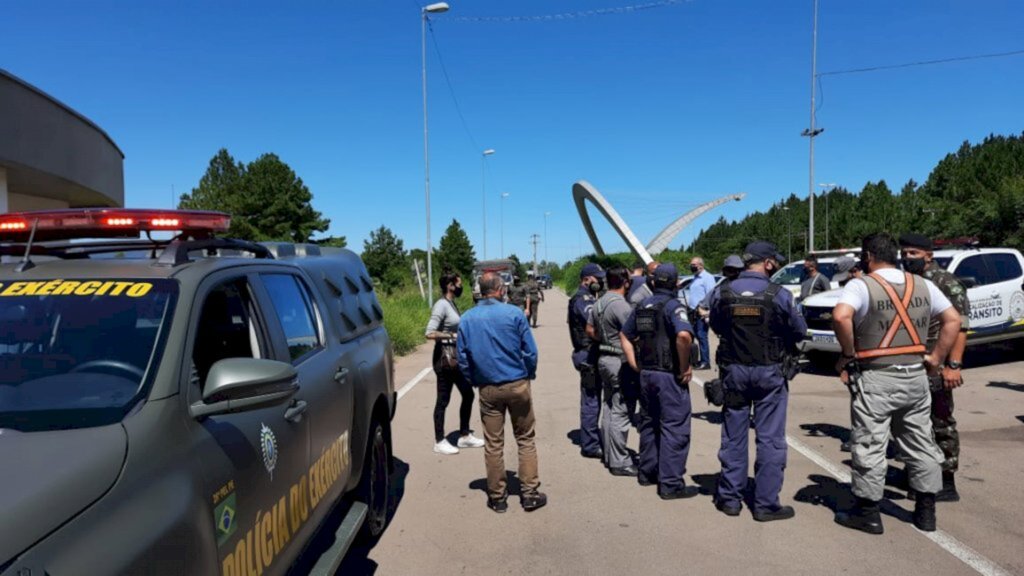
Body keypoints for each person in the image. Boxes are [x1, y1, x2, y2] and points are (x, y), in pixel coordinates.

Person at [832, 233, 960, 534]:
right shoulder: (924, 285)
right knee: (920, 441)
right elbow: (953, 319)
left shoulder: (860, 285)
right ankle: (926, 512)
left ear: (868, 257)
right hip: (915, 375)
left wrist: (849, 354)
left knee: (870, 443)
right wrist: (936, 358)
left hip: (876, 375)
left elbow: (840, 317)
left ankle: (868, 513)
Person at [707, 242, 806, 521]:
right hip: (769, 372)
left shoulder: (722, 292)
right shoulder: (780, 294)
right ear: (768, 264)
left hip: (733, 371)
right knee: (770, 439)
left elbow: (715, 325)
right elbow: (798, 331)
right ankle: (765, 504)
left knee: (733, 435)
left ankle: (730, 499)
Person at [457, 272, 545, 513]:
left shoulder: (467, 318)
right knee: (525, 438)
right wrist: (529, 374)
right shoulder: (514, 314)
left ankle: (497, 497)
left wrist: (475, 379)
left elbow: (462, 358)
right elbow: (530, 351)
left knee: (493, 443)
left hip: (488, 388)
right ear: (499, 290)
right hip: (517, 383)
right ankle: (529, 493)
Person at [899, 233, 970, 502]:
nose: (907, 259)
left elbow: (961, 326)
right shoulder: (911, 282)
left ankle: (946, 480)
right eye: (905, 254)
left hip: (937, 365)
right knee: (914, 423)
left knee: (940, 421)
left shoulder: (946, 283)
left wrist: (953, 365)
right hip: (913, 363)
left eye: (913, 254)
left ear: (929, 255)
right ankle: (916, 473)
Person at [620, 263, 700, 499]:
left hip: (646, 374)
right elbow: (683, 336)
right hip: (668, 376)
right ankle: (671, 484)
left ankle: (647, 472)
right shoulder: (674, 306)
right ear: (676, 284)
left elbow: (625, 334)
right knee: (674, 428)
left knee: (649, 424)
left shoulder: (644, 305)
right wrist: (685, 366)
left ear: (653, 283)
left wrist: (634, 362)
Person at [425, 271, 485, 455]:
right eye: (458, 284)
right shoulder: (441, 305)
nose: (460, 287)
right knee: (443, 400)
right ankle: (439, 440)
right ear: (450, 285)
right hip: (444, 360)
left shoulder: (451, 303)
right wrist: (452, 335)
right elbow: (429, 333)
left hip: (455, 359)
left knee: (468, 394)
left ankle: (465, 435)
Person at [586, 266, 637, 476]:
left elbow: (590, 330)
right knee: (621, 410)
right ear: (625, 281)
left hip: (604, 358)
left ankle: (609, 454)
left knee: (609, 407)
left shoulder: (599, 303)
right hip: (619, 361)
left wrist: (607, 340)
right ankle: (619, 461)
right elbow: (633, 334)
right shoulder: (621, 306)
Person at [568, 263, 606, 459]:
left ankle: (593, 438)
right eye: (597, 278)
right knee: (591, 400)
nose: (600, 281)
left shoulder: (590, 297)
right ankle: (590, 445)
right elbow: (594, 320)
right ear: (587, 279)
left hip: (591, 352)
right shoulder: (582, 299)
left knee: (595, 399)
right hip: (588, 354)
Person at [684, 257, 716, 370]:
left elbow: (711, 295)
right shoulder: (695, 278)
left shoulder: (708, 278)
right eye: (691, 264)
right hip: (692, 311)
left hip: (702, 312)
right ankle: (694, 360)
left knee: (702, 336)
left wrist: (707, 312)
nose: (691, 266)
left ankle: (705, 361)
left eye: (694, 264)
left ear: (701, 265)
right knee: (693, 335)